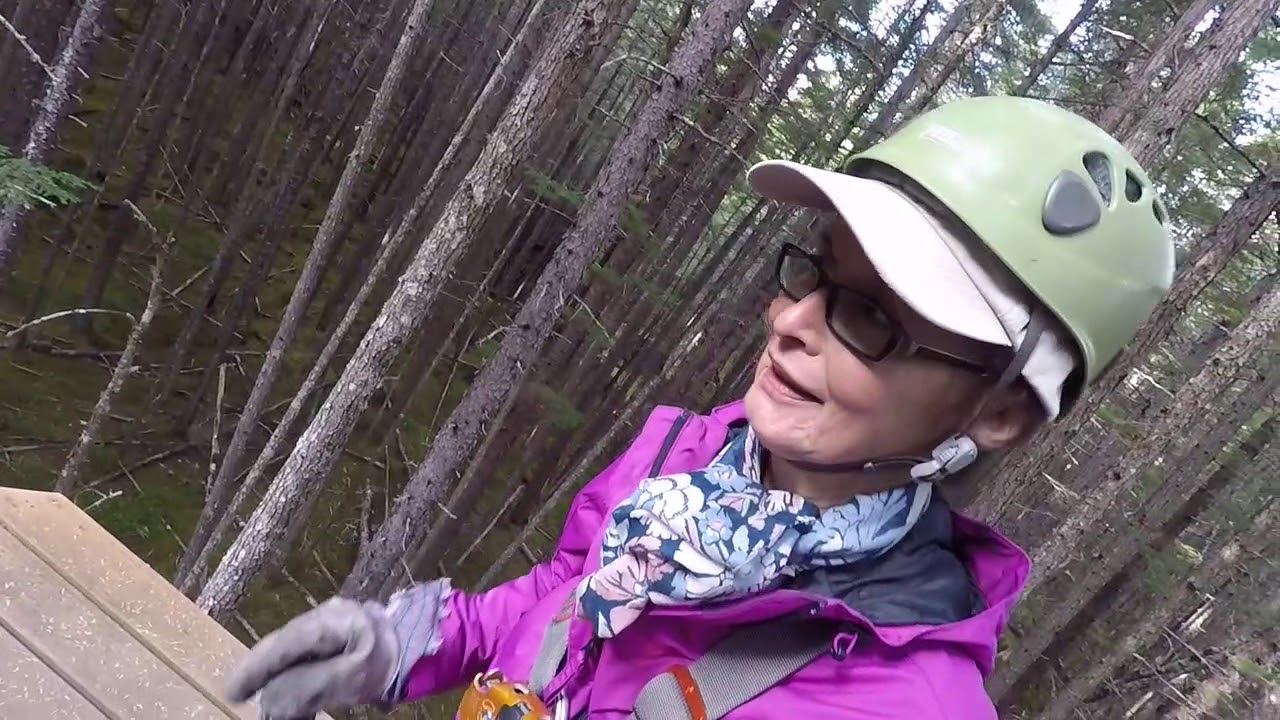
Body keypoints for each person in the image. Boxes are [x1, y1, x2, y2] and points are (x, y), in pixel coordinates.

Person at [224, 95, 1174, 719]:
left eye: (871, 318)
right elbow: (562, 600)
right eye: (813, 274)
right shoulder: (685, 460)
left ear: (1000, 412)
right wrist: (411, 642)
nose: (790, 321)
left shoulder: (906, 702)